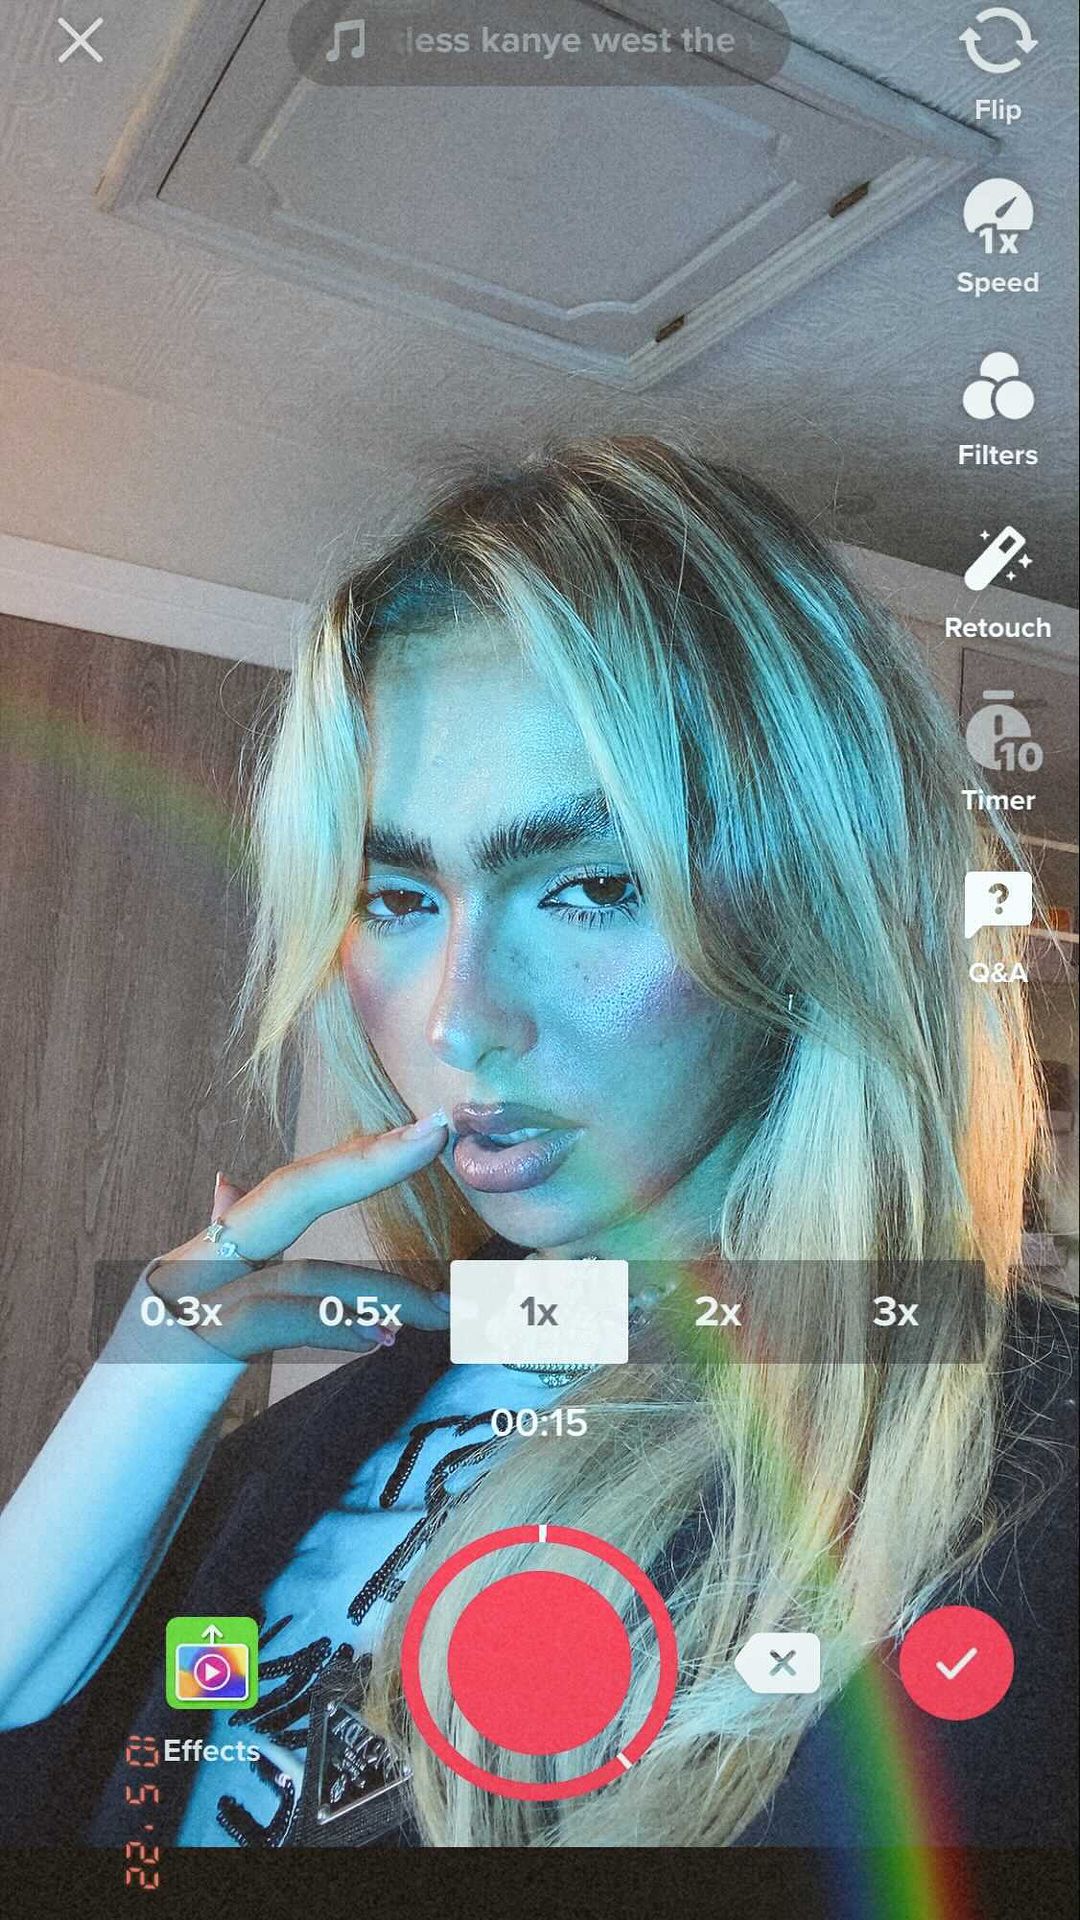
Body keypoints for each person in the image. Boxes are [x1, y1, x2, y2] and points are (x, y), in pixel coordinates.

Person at [0, 438, 1073, 1853]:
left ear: (820, 908)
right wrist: (140, 1391)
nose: (459, 1020)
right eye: (395, 896)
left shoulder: (1025, 1473)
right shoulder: (311, 1434)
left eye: (594, 885)